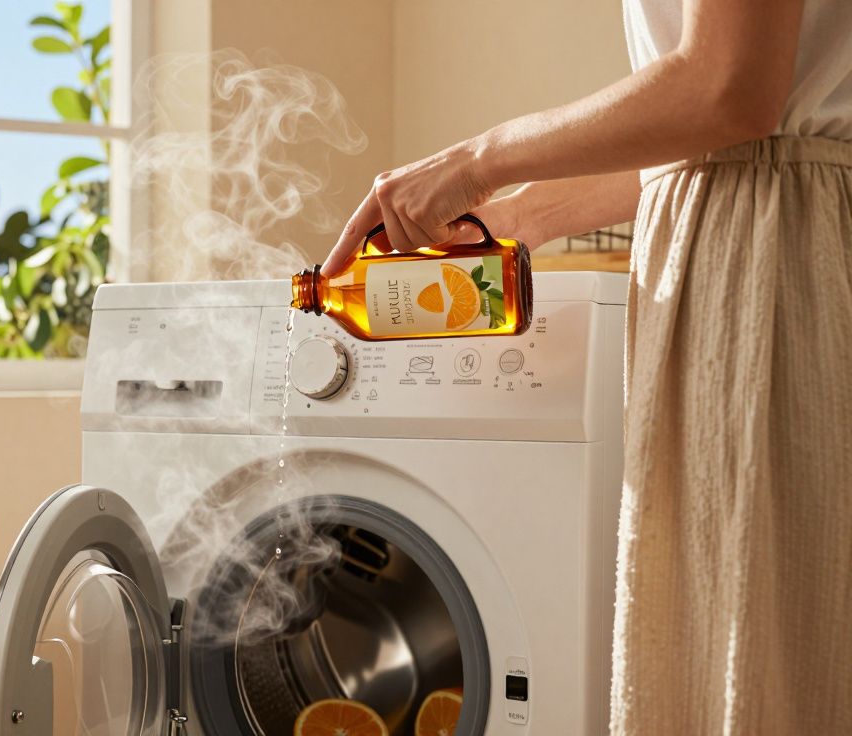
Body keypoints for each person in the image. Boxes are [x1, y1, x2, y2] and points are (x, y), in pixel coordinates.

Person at [322, 0, 852, 733]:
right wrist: (521, 218)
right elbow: (708, 129)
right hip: (743, 240)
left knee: (769, 655)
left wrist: (474, 162)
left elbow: (731, 89)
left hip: (771, 259)